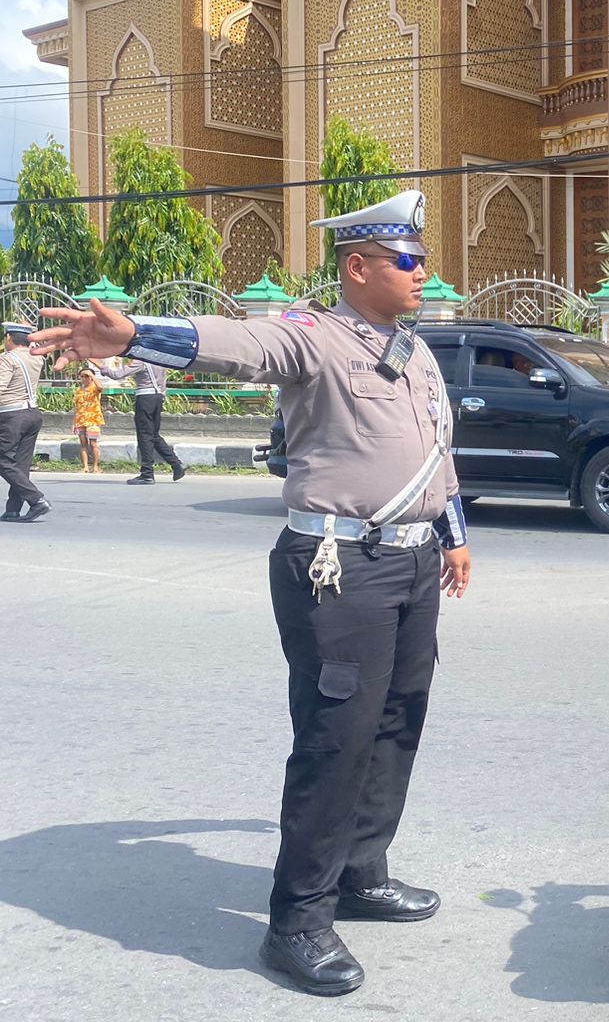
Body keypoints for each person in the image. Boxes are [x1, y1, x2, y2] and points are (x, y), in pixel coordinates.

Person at [31, 189, 473, 998]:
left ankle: (359, 872)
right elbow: (238, 344)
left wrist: (454, 536)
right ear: (359, 266)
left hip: (412, 565)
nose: (423, 273)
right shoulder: (315, 338)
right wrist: (134, 335)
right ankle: (297, 922)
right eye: (409, 261)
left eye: (423, 258)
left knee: (396, 722)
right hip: (338, 567)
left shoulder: (414, 348)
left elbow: (436, 448)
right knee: (336, 736)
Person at [97, 352, 186, 484]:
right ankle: (177, 464)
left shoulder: (142, 361)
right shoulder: (159, 360)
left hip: (145, 398)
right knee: (153, 435)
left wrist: (97, 363)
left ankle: (147, 474)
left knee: (144, 435)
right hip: (158, 397)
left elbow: (117, 375)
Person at [1, 321, 50, 522]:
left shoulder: (7, 359)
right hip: (32, 413)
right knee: (21, 464)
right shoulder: (36, 358)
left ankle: (36, 500)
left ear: (9, 338)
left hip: (12, 416)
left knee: (3, 460)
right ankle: (13, 508)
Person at [74, 365, 107, 473]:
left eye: (86, 376)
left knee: (93, 443)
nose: (84, 378)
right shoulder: (79, 391)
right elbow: (77, 407)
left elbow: (100, 387)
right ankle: (85, 467)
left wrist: (92, 374)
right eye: (82, 376)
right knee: (83, 444)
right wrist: (74, 422)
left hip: (93, 420)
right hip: (81, 420)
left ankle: (96, 466)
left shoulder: (94, 389)